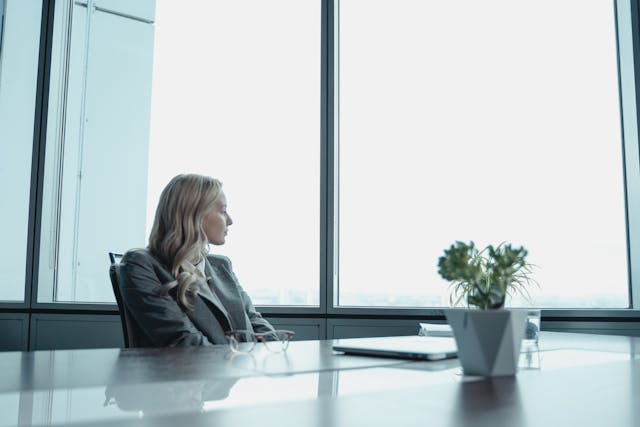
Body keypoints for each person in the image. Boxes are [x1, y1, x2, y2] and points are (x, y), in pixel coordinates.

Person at [119, 173, 275, 347]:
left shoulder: (221, 265)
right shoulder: (140, 264)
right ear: (195, 214)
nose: (230, 220)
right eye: (223, 211)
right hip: (192, 373)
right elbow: (184, 340)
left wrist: (275, 350)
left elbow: (254, 321)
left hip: (241, 368)